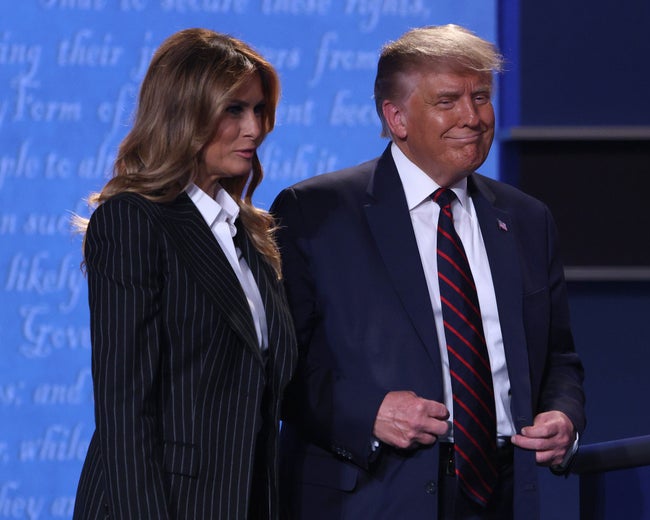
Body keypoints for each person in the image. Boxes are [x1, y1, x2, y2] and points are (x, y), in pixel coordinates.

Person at [271, 24, 585, 519]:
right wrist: (368, 412)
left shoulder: (527, 219)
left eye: (480, 97)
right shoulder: (316, 212)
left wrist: (564, 415)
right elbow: (280, 370)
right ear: (396, 117)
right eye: (448, 100)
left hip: (504, 494)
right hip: (375, 495)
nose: (473, 117)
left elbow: (559, 358)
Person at [72, 28, 297, 519]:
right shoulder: (134, 219)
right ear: (184, 113)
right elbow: (125, 411)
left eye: (259, 110)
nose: (254, 129)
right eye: (234, 109)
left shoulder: (248, 232)